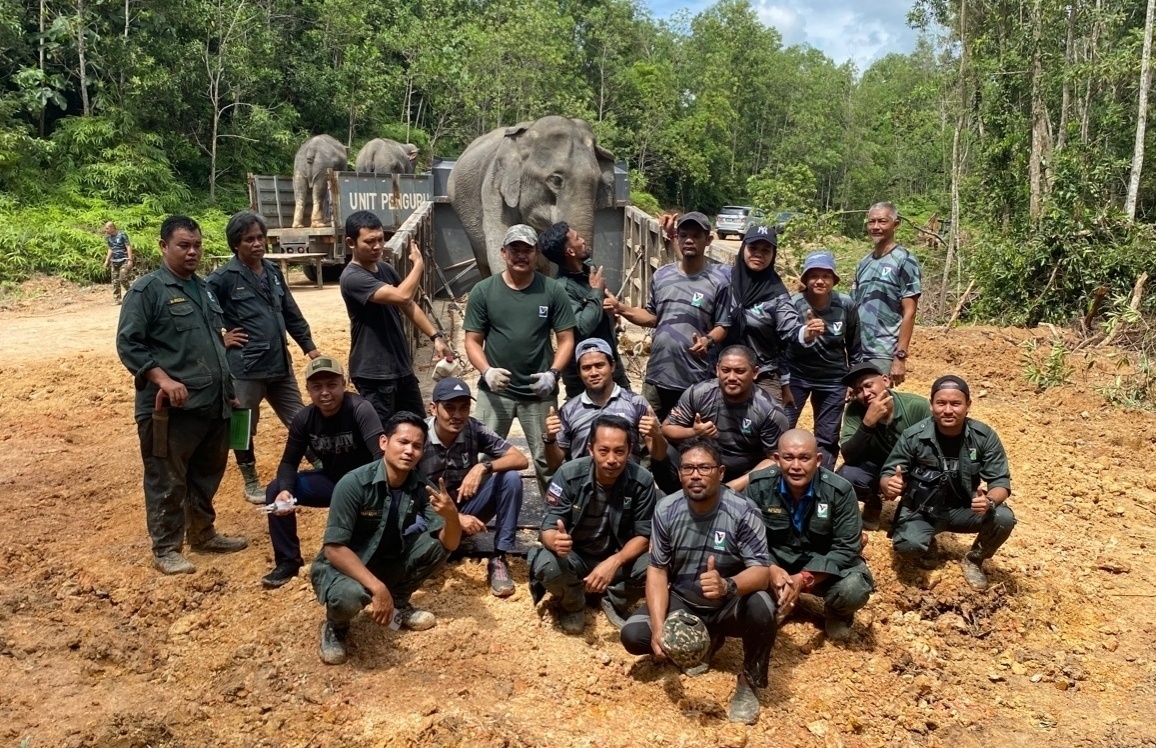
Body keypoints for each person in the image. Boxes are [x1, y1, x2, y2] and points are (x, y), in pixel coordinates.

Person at [116, 215, 247, 575]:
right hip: (170, 409)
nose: (192, 252)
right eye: (183, 246)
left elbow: (211, 344)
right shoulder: (148, 291)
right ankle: (166, 548)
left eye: (197, 245)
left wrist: (228, 391)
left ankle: (203, 533)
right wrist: (162, 379)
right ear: (163, 247)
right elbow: (129, 344)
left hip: (212, 404)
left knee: (206, 474)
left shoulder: (203, 289)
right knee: (167, 477)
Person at [620, 437, 776, 725]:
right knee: (633, 635)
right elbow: (657, 571)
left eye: (704, 467)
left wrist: (727, 586)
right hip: (685, 602)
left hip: (728, 603)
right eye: (688, 468)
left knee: (762, 606)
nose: (695, 474)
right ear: (679, 474)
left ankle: (749, 681)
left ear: (721, 472)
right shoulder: (666, 509)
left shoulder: (743, 511)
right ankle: (706, 639)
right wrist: (658, 630)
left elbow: (762, 572)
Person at [311, 412, 461, 665]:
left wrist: (452, 516)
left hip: (384, 560)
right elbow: (334, 549)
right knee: (349, 597)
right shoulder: (354, 483)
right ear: (384, 443)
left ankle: (398, 605)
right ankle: (336, 627)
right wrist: (378, 588)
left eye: (416, 446)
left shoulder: (419, 485)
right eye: (402, 442)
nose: (409, 451)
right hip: (343, 567)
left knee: (437, 545)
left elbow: (450, 544)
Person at [208, 211, 322, 504]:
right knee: (241, 424)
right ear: (236, 244)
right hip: (246, 367)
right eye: (249, 239)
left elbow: (290, 312)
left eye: (260, 237)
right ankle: (250, 480)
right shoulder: (223, 278)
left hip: (279, 364)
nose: (257, 244)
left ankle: (322, 464)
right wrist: (221, 340)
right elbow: (202, 315)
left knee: (300, 418)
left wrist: (308, 345)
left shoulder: (272, 272)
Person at [463, 224, 577, 493]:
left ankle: (556, 518)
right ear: (503, 252)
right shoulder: (484, 290)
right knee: (481, 456)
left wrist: (553, 374)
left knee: (547, 460)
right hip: (494, 393)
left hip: (538, 393)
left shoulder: (551, 290)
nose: (521, 255)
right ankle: (470, 514)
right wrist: (486, 371)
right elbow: (472, 341)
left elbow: (566, 339)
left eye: (528, 250)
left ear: (537, 254)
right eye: (515, 249)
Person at [880, 375, 1016, 591]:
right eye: (941, 403)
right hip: (923, 509)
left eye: (956, 404)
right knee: (907, 546)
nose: (948, 410)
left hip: (965, 509)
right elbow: (890, 472)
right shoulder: (914, 436)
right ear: (931, 404)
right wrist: (889, 484)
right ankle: (927, 544)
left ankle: (974, 560)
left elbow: (1000, 481)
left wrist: (989, 501)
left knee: (1003, 517)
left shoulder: (983, 436)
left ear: (968, 405)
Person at [260, 356, 384, 589]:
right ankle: (288, 561)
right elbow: (288, 462)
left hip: (364, 484)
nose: (325, 392)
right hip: (333, 481)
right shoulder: (304, 419)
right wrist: (286, 491)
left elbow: (380, 455)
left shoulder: (359, 409)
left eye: (331, 384)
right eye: (317, 387)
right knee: (275, 488)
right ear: (308, 389)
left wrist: (373, 492)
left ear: (344, 383)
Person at [531, 414, 657, 633]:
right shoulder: (568, 474)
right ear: (590, 449)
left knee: (657, 561)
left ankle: (613, 600)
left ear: (629, 450)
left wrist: (615, 561)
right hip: (575, 556)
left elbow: (643, 535)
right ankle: (572, 603)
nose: (611, 459)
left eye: (619, 451)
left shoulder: (642, 480)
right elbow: (548, 528)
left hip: (617, 556)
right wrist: (555, 541)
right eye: (603, 450)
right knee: (547, 563)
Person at [745, 429, 873, 642]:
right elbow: (748, 539)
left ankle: (837, 612)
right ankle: (779, 601)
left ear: (818, 460)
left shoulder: (840, 491)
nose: (796, 466)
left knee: (854, 588)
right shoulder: (759, 486)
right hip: (776, 563)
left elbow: (846, 548)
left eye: (804, 458)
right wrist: (770, 568)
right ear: (777, 459)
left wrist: (803, 579)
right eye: (788, 458)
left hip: (821, 565)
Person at [605, 212, 731, 421]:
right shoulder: (662, 275)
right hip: (657, 376)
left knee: (692, 439)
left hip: (696, 379)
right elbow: (652, 316)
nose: (689, 240)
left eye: (696, 235)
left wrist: (707, 340)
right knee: (647, 434)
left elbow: (723, 325)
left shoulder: (719, 281)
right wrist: (620, 308)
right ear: (677, 238)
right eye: (683, 235)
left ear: (708, 240)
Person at [418, 377, 529, 598]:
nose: (457, 415)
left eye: (464, 407)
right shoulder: (418, 436)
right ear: (433, 408)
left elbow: (520, 459)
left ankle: (499, 556)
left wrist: (482, 467)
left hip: (465, 508)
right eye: (449, 408)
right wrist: (452, 518)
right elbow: (405, 490)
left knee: (510, 478)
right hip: (426, 515)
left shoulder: (472, 428)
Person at [340, 210, 451, 425]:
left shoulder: (385, 269)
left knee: (417, 427)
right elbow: (403, 294)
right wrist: (418, 264)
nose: (377, 246)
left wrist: (435, 336)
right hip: (374, 372)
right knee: (382, 435)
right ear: (351, 243)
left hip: (400, 366)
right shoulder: (352, 277)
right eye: (369, 242)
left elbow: (408, 304)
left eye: (381, 239)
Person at [661, 345, 788, 493]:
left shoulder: (769, 411)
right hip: (703, 464)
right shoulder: (699, 393)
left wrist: (732, 487)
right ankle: (674, 500)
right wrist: (694, 432)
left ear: (754, 373)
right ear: (717, 369)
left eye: (740, 371)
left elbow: (776, 459)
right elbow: (666, 428)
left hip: (744, 473)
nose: (732, 377)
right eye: (726, 370)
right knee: (665, 451)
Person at [723, 224, 821, 407]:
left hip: (762, 375)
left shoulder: (777, 294)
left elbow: (789, 328)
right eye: (753, 248)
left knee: (771, 427)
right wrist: (672, 238)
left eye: (766, 250)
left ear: (773, 254)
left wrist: (807, 332)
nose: (758, 254)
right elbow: (693, 276)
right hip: (722, 373)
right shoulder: (722, 280)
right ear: (743, 248)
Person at [783, 251, 864, 468]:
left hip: (833, 380)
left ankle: (821, 480)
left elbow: (854, 346)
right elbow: (782, 341)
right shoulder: (792, 304)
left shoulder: (846, 305)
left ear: (834, 280)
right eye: (814, 276)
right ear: (805, 279)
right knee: (782, 427)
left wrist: (853, 380)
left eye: (826, 276)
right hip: (796, 377)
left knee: (827, 436)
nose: (820, 281)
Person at [543, 337, 666, 472]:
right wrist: (550, 439)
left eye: (599, 365)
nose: (594, 373)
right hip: (582, 487)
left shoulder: (637, 403)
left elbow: (659, 456)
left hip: (626, 486)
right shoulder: (568, 410)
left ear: (612, 366)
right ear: (579, 373)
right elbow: (554, 464)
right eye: (586, 368)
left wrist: (657, 435)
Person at [539, 221, 631, 398]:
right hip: (584, 375)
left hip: (611, 364)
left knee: (628, 415)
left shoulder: (589, 269)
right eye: (577, 238)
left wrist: (611, 313)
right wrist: (596, 292)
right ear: (570, 251)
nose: (583, 241)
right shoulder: (561, 288)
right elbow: (581, 327)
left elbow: (599, 308)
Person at [837, 362, 931, 530]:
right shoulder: (854, 410)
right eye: (858, 390)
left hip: (912, 470)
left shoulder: (918, 406)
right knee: (846, 475)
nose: (865, 394)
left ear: (886, 381)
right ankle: (873, 502)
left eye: (868, 385)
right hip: (876, 467)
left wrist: (903, 478)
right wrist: (867, 423)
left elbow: (933, 450)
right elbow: (848, 456)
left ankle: (909, 512)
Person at [850, 202, 921, 385]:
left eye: (882, 221)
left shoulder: (905, 260)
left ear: (895, 225)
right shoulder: (863, 263)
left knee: (879, 405)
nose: (876, 227)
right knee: (856, 407)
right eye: (871, 222)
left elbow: (910, 312)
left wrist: (900, 357)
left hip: (884, 352)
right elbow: (852, 307)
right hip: (858, 351)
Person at [103, 221, 134, 304]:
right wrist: (107, 260)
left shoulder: (122, 235)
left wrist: (130, 260)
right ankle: (117, 299)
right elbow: (110, 249)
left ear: (112, 228)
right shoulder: (109, 238)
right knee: (115, 281)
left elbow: (128, 246)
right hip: (114, 261)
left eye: (107, 228)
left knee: (123, 278)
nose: (106, 230)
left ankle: (132, 295)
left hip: (124, 260)